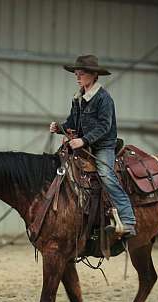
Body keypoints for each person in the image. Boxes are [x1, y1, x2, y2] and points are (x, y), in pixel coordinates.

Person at [49, 54, 136, 237]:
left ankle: (128, 220)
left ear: (93, 75)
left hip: (103, 146)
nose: (77, 76)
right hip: (85, 145)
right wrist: (60, 128)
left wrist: (83, 140)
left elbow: (105, 126)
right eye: (76, 73)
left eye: (81, 73)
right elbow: (73, 121)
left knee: (106, 174)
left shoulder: (104, 98)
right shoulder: (78, 98)